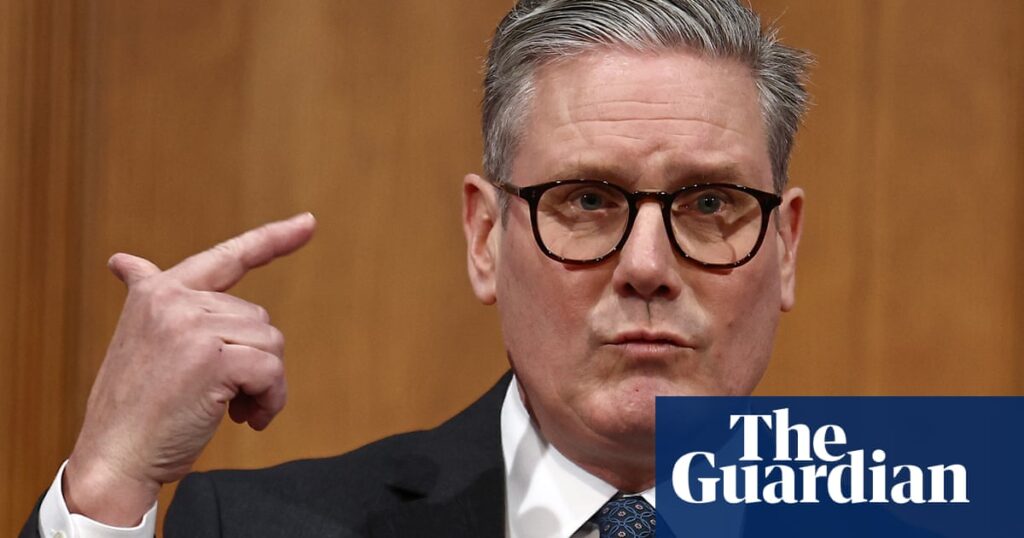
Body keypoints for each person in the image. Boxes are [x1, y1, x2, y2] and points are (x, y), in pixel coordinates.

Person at [24, 0, 812, 536]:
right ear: (484, 237)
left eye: (710, 204)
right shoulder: (263, 527)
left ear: (785, 248)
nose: (646, 265)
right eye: (586, 200)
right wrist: (110, 482)